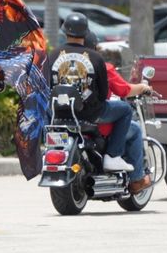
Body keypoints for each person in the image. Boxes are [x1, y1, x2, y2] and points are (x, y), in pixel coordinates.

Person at [48, 13, 133, 173]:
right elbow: (102, 93)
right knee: (126, 110)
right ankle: (113, 156)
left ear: (65, 32)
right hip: (89, 114)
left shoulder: (53, 55)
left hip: (58, 113)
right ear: (86, 33)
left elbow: (48, 86)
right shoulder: (96, 58)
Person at [88, 31, 152, 194]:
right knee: (135, 128)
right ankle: (137, 179)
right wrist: (144, 87)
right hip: (99, 121)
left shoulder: (68, 65)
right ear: (95, 46)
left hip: (75, 118)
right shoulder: (102, 66)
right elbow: (124, 90)